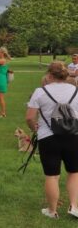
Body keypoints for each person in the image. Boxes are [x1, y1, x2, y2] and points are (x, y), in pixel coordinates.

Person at [26, 61, 78, 219]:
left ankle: (52, 210)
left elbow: (29, 117)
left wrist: (33, 127)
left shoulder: (40, 92)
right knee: (74, 173)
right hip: (73, 136)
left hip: (48, 137)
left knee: (52, 175)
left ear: (49, 75)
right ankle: (74, 206)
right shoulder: (75, 90)